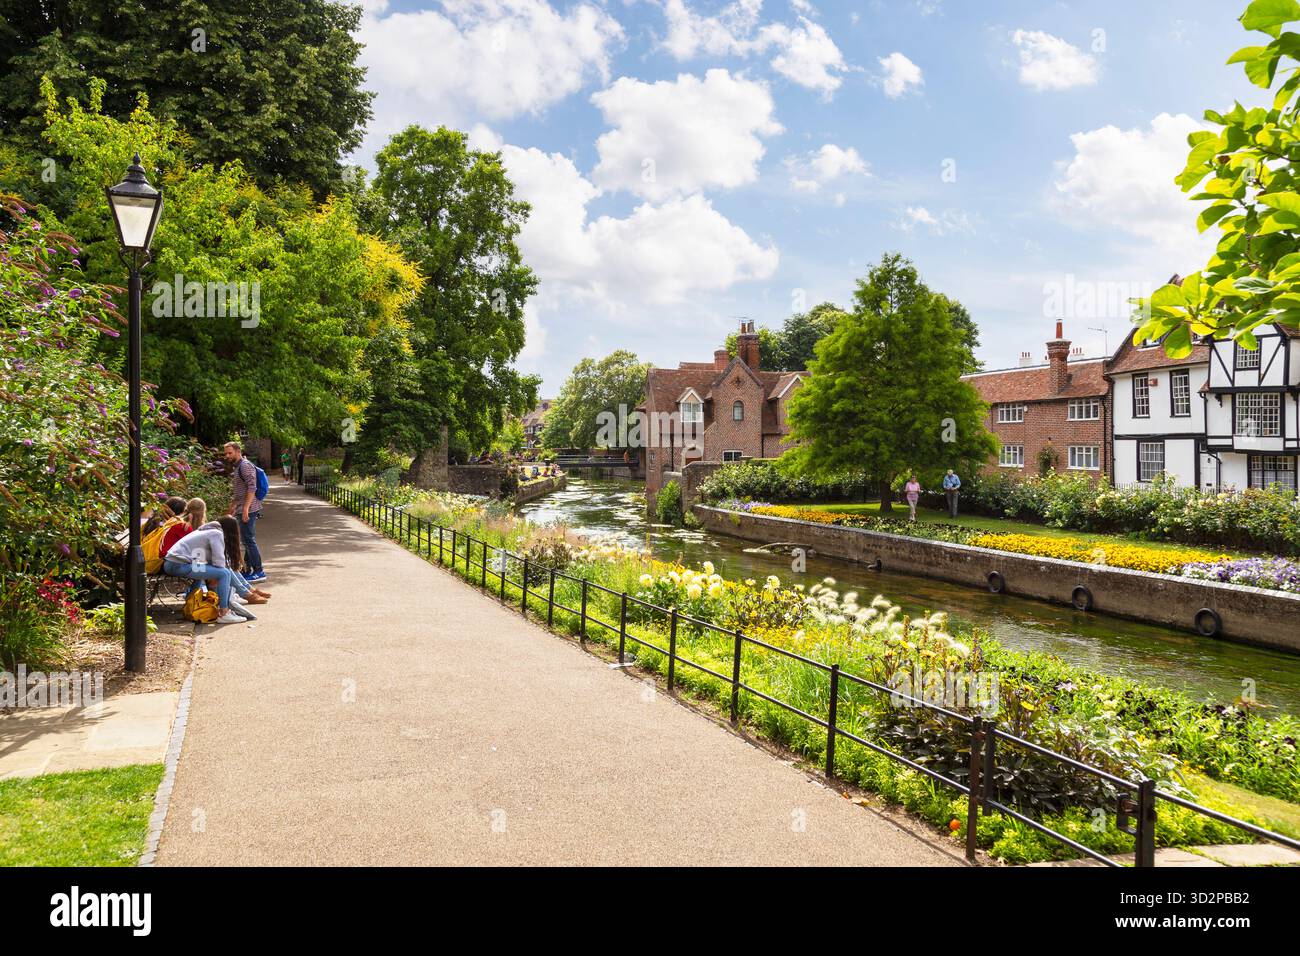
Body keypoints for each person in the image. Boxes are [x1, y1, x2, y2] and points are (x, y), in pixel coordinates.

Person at [160, 498, 271, 603]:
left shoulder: (194, 526)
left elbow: (199, 554)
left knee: (224, 566)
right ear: (203, 511)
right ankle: (235, 600)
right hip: (175, 562)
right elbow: (199, 555)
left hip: (182, 561)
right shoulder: (185, 526)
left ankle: (247, 590)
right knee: (223, 569)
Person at [162, 517, 249, 624]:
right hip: (179, 565)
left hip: (173, 563)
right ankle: (224, 612)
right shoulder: (216, 534)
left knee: (207, 574)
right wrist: (216, 576)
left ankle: (193, 606)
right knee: (224, 573)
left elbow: (203, 558)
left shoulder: (204, 531)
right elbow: (219, 561)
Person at [224, 441, 266, 582]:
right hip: (242, 507)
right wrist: (233, 506)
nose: (227, 455)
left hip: (249, 508)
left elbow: (251, 488)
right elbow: (240, 491)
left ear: (237, 451)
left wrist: (246, 508)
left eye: (230, 453)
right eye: (226, 453)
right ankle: (249, 570)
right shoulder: (238, 467)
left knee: (249, 540)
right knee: (246, 540)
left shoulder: (245, 466)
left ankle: (259, 571)